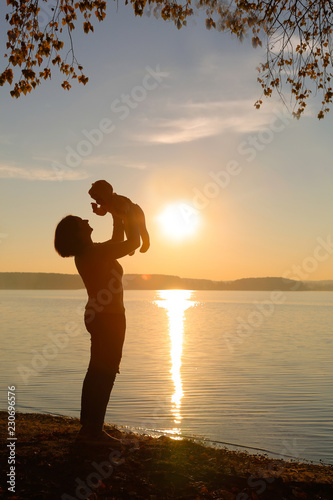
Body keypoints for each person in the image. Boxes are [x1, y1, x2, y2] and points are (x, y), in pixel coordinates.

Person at [54, 195, 141, 446]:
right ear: (79, 233)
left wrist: (115, 212)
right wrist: (131, 214)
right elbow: (132, 242)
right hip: (109, 319)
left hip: (99, 317)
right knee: (105, 373)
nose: (86, 218)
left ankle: (89, 429)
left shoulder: (93, 252)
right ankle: (93, 432)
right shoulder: (94, 254)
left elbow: (117, 241)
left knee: (96, 372)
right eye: (81, 221)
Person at [89, 180, 150, 254]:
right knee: (124, 230)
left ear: (105, 194)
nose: (98, 202)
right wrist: (95, 210)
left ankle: (146, 242)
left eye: (99, 199)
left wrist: (123, 210)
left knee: (141, 228)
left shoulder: (116, 199)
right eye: (96, 200)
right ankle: (130, 248)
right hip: (119, 216)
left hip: (134, 212)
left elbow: (125, 204)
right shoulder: (104, 205)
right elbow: (102, 213)